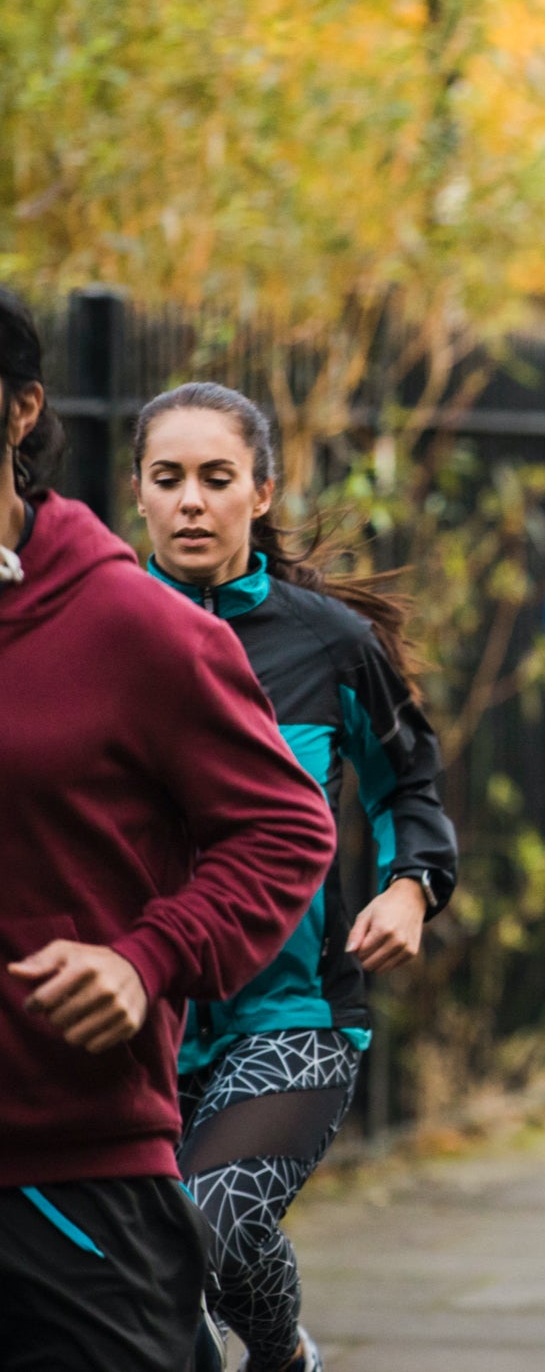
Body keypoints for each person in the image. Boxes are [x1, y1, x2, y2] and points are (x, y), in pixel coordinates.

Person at [0, 291, 338, 1371]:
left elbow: (288, 827)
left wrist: (146, 958)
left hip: (66, 1163)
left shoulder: (129, 625)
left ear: (22, 411)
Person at [132, 382, 459, 1372]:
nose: (192, 500)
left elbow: (413, 783)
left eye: (216, 478)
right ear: (137, 494)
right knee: (137, 1271)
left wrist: (410, 885)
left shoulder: (329, 642)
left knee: (214, 1218)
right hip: (138, 1013)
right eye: (169, 478)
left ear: (261, 490)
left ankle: (280, 1356)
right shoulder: (102, 628)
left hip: (296, 1013)